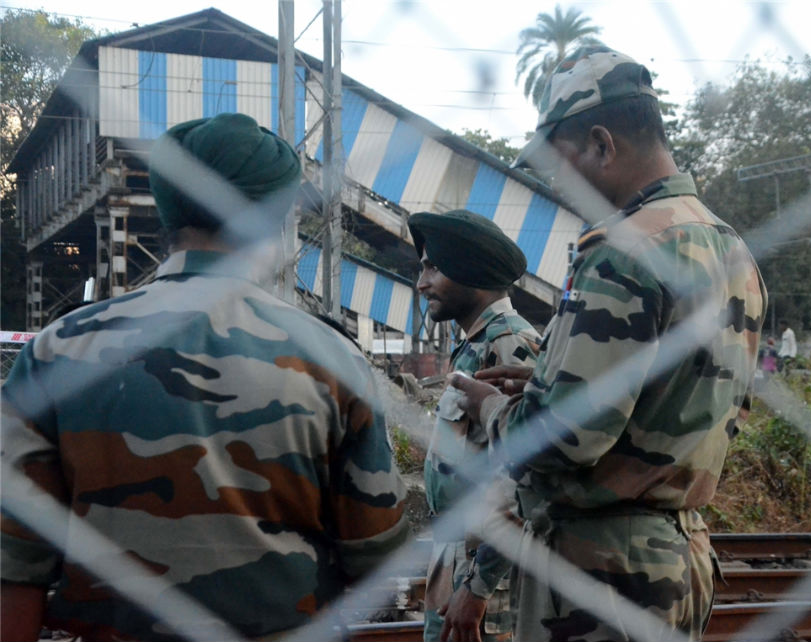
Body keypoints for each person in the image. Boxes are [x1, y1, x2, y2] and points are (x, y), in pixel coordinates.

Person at [1, 113, 408, 641]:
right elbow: (377, 556)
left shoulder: (58, 350)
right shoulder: (332, 358)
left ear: (167, 208)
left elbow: (14, 565)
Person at [450, 46, 766, 641]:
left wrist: (492, 408)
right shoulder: (732, 250)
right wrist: (548, 383)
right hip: (679, 549)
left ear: (601, 144)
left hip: (600, 567)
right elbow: (713, 406)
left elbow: (566, 439)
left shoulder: (622, 250)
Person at [408, 209, 541, 642]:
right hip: (458, 555)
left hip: (489, 567)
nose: (421, 283)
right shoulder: (477, 343)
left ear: (473, 271)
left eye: (434, 267)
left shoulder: (509, 344)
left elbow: (527, 475)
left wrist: (480, 586)